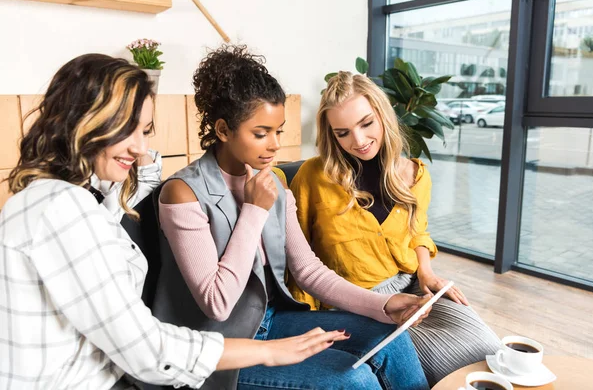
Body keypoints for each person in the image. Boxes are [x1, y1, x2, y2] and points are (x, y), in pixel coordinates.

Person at [0, 53, 349, 390]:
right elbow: (148, 350)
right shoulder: (60, 209)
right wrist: (271, 352)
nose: (139, 148)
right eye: (126, 130)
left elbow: (307, 269)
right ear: (82, 122)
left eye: (146, 131)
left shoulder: (81, 202)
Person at [153, 45, 431, 390]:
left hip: (275, 320)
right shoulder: (182, 192)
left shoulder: (272, 183)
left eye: (278, 131)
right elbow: (217, 303)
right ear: (223, 130)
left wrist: (384, 304)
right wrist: (254, 210)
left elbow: (308, 271)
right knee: (354, 380)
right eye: (260, 133)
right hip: (217, 348)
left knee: (391, 339)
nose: (274, 146)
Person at [287, 71, 503, 386]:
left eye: (366, 124)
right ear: (331, 134)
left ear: (383, 117)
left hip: (413, 285)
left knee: (490, 353)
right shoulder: (313, 177)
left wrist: (427, 273)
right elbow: (299, 257)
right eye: (343, 132)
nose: (358, 141)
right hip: (355, 302)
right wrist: (306, 321)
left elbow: (418, 231)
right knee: (452, 371)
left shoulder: (414, 173)